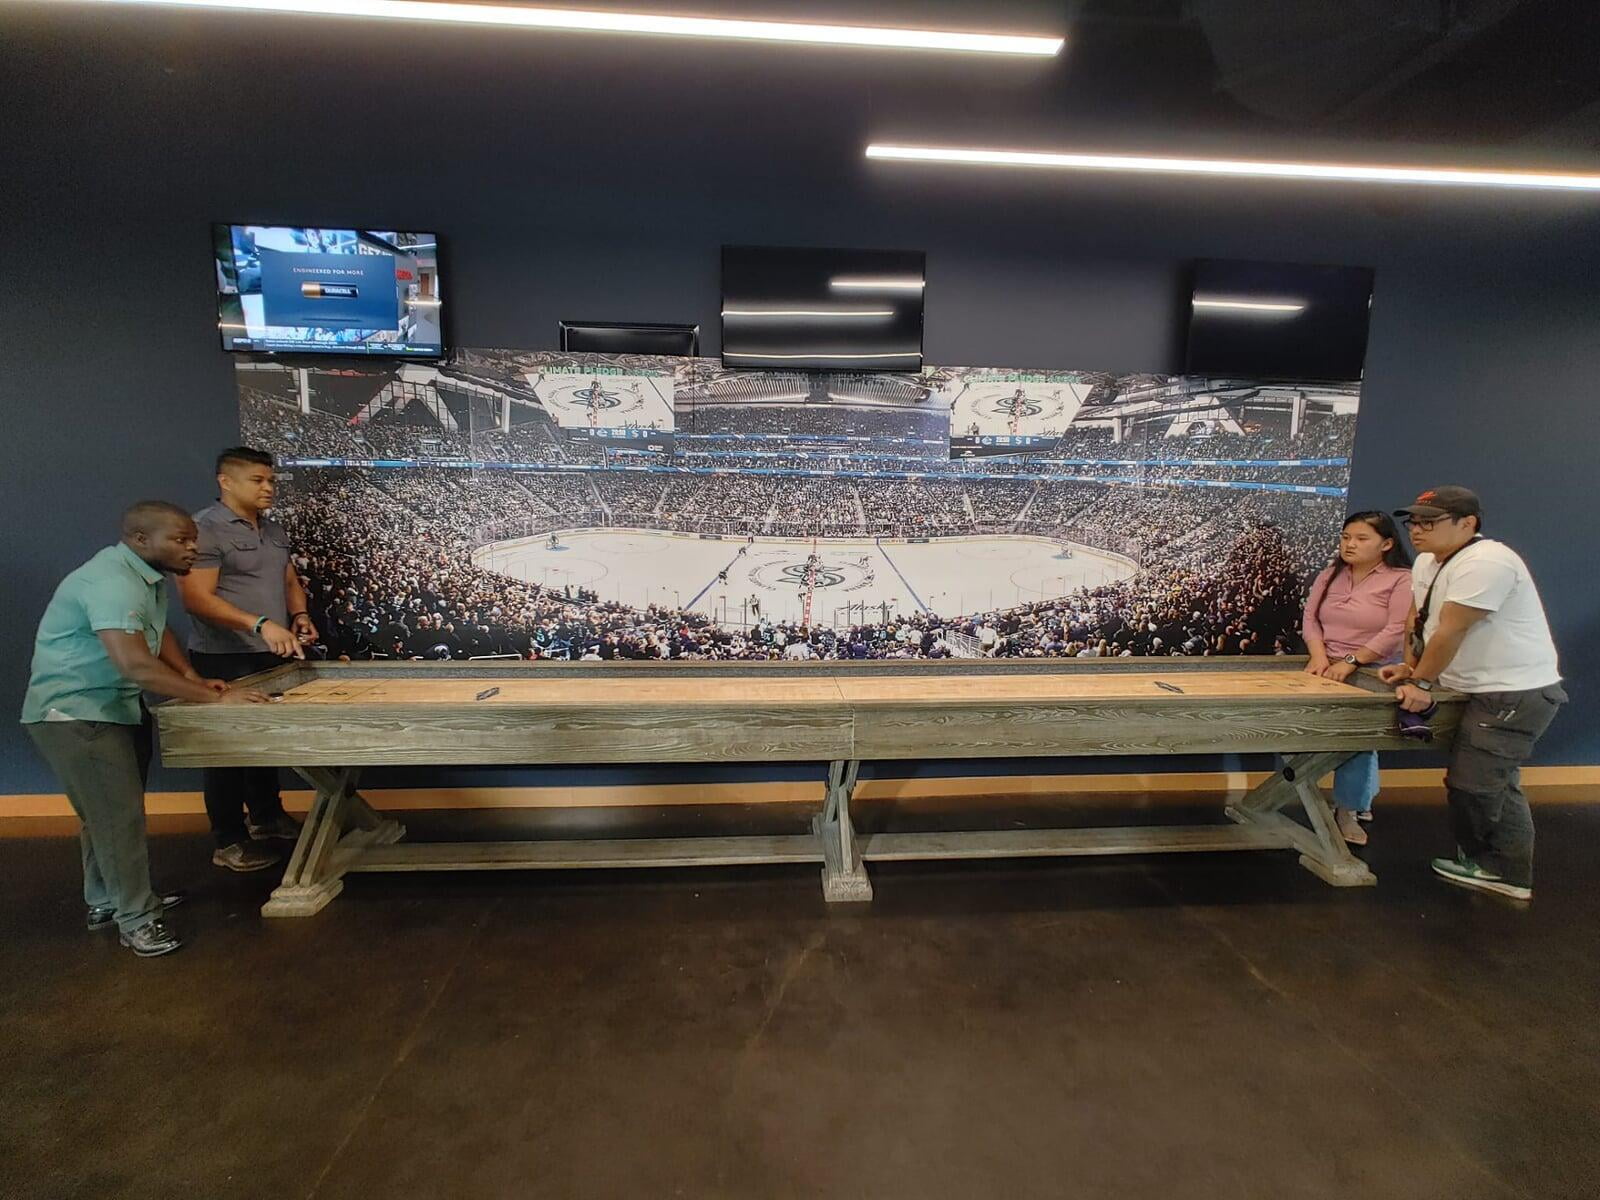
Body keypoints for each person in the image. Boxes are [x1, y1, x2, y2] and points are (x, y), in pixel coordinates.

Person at [21, 502, 270, 957]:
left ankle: (106, 901)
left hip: (110, 707)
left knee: (105, 814)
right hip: (78, 715)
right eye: (181, 540)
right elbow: (135, 663)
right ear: (140, 538)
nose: (193, 548)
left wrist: (192, 679)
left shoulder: (142, 577)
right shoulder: (113, 583)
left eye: (194, 539)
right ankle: (137, 918)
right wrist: (218, 697)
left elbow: (159, 635)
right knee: (118, 819)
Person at [1379, 487, 1565, 901]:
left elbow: (1452, 629)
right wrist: (1412, 667)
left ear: (1468, 523)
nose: (1417, 530)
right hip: (1475, 688)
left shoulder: (1489, 562)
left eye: (1430, 521)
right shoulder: (1429, 561)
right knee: (1491, 781)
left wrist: (1421, 683)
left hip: (1511, 693)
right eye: (1414, 521)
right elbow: (1419, 618)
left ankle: (1503, 869)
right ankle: (1496, 863)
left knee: (1478, 785)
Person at [175, 448, 313, 873]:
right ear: (225, 481)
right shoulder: (205, 530)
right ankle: (229, 838)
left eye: (271, 480)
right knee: (228, 751)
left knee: (264, 743)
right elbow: (196, 599)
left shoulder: (273, 529)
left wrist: (299, 615)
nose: (268, 487)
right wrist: (259, 624)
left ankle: (267, 816)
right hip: (225, 655)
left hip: (270, 652)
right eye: (257, 480)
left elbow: (287, 577)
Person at [1301, 512, 1412, 845]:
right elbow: (1310, 617)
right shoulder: (1329, 574)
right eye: (1346, 537)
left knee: (1357, 741)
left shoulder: (1401, 579)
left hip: (1372, 668)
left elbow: (1396, 630)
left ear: (1387, 543)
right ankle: (1306, 794)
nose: (1350, 544)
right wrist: (1319, 655)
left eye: (1361, 539)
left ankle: (1348, 810)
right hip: (1323, 664)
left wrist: (1351, 661)